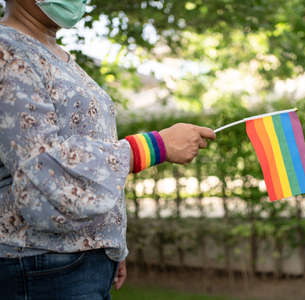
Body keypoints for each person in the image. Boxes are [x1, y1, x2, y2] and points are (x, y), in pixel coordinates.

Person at [0, 0, 216, 299]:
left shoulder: (54, 54)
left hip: (79, 261)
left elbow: (87, 147)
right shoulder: (8, 51)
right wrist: (154, 147)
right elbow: (42, 167)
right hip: (42, 265)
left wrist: (109, 241)